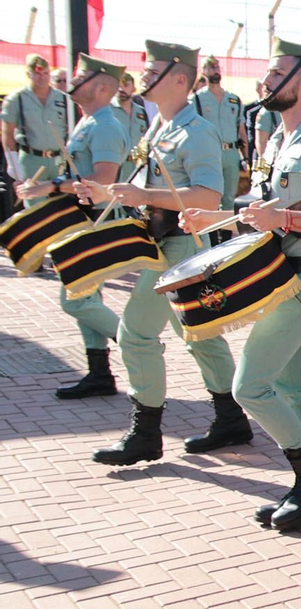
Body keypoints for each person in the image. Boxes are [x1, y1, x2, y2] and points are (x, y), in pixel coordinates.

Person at [181, 40, 301, 530]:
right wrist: (214, 218)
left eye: (277, 73)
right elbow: (263, 211)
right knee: (292, 387)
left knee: (250, 387)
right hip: (277, 280)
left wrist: (283, 219)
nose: (265, 80)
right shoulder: (281, 139)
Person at [86, 41, 244, 465]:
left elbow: (208, 197)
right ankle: (231, 418)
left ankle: (146, 433)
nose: (143, 76)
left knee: (137, 334)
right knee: (198, 335)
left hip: (181, 246)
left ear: (179, 79)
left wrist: (146, 195)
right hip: (162, 244)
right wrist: (107, 192)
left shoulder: (196, 131)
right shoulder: (161, 125)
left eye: (152, 71)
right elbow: (149, 186)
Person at [12, 55, 131, 399]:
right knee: (86, 297)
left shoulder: (105, 125)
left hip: (96, 220)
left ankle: (137, 343)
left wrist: (51, 186)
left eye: (81, 77)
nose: (72, 82)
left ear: (103, 87)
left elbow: (103, 179)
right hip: (81, 220)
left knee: (76, 300)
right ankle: (100, 373)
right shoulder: (88, 121)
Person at [2, 53, 71, 198]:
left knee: (61, 204)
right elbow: (7, 134)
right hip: (31, 159)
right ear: (29, 74)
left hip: (58, 159)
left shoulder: (62, 98)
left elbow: (71, 129)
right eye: (37, 74)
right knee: (34, 203)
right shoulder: (16, 98)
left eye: (46, 73)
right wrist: (13, 163)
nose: (42, 78)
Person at [192, 57, 248, 214]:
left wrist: (245, 157)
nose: (214, 71)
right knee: (209, 198)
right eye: (210, 68)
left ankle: (227, 229)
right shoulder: (197, 99)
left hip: (231, 154)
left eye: (216, 67)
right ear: (203, 72)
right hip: (209, 154)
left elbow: (241, 130)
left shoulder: (233, 99)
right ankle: (210, 229)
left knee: (229, 198)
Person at [113, 72, 153, 147]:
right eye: (118, 86)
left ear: (133, 89)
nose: (121, 89)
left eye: (126, 85)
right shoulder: (107, 110)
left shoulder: (141, 111)